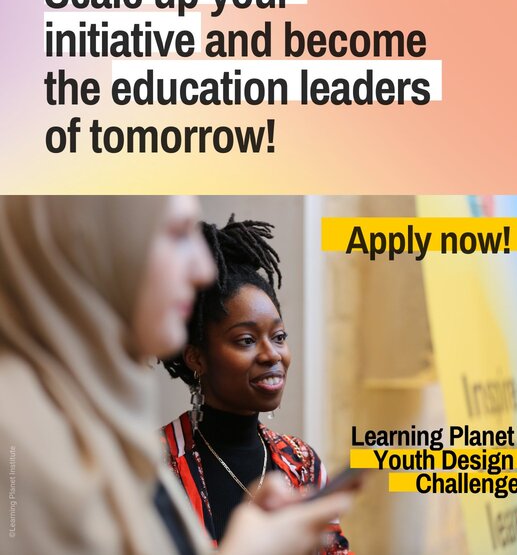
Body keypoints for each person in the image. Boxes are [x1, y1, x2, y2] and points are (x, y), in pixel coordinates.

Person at [0, 196, 355, 555]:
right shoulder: (21, 436)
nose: (202, 269)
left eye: (279, 336)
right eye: (176, 233)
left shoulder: (115, 435)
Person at [161, 216, 351, 554]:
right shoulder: (153, 466)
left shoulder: (302, 463)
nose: (272, 354)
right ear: (196, 358)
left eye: (279, 336)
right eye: (246, 340)